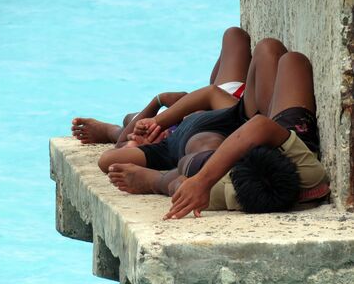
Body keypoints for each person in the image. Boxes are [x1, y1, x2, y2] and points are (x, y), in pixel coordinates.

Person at [101, 38, 329, 216]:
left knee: (188, 165)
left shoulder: (227, 188)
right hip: (286, 131)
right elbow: (260, 127)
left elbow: (176, 183)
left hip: (212, 145)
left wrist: (154, 180)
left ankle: (119, 131)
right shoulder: (310, 174)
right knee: (289, 58)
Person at [71, 27, 251, 147]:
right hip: (227, 105)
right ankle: (117, 131)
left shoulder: (164, 138)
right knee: (234, 36)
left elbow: (120, 148)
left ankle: (112, 131)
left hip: (210, 105)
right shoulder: (175, 138)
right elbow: (211, 96)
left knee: (131, 120)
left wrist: (158, 101)